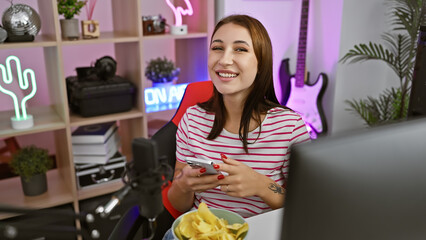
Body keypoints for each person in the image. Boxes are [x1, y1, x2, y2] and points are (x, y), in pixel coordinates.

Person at [163, 14, 310, 239]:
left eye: (240, 49)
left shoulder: (289, 126)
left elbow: (304, 206)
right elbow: (179, 206)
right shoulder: (191, 120)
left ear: (261, 62)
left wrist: (261, 185)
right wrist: (183, 186)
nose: (224, 60)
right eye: (217, 48)